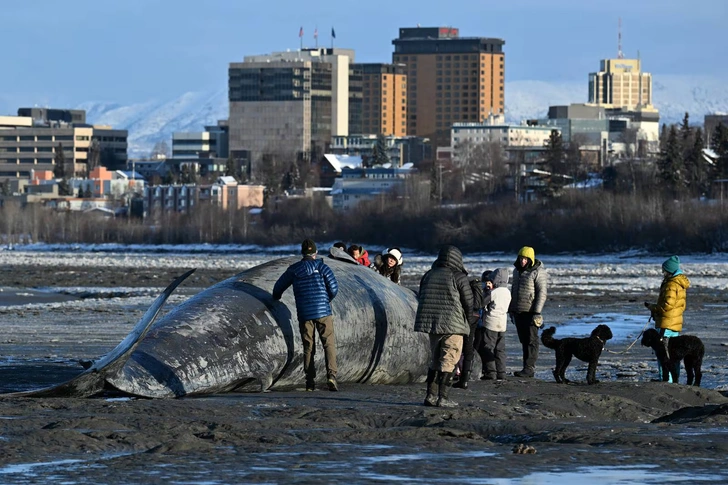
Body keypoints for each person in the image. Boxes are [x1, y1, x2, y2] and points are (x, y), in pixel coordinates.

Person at [273, 239, 340, 392]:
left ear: (302, 253)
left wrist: (276, 297)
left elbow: (278, 287)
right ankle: (332, 376)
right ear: (315, 253)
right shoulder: (323, 267)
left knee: (308, 346)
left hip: (304, 313)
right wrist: (325, 300)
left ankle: (310, 381)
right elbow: (334, 288)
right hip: (323, 312)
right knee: (328, 343)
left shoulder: (294, 270)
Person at [415, 245, 473, 408]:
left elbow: (421, 297)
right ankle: (443, 397)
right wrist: (467, 324)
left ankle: (430, 396)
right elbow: (468, 303)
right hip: (453, 325)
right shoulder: (458, 277)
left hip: (432, 324)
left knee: (434, 359)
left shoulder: (428, 275)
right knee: (449, 359)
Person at [644, 255, 690, 383]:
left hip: (666, 323)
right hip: (674, 322)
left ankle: (666, 380)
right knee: (674, 353)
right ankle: (673, 379)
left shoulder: (671, 284)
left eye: (664, 270)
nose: (662, 272)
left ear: (669, 270)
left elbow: (667, 305)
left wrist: (654, 308)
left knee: (663, 353)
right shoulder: (679, 282)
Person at [508, 246, 547, 378]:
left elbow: (542, 293)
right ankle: (526, 366)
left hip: (530, 311)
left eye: (525, 259)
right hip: (518, 311)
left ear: (530, 259)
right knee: (524, 340)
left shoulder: (538, 272)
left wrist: (537, 312)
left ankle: (529, 368)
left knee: (532, 340)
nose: (522, 261)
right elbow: (513, 290)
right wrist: (511, 309)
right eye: (521, 258)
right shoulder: (516, 271)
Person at [452, 274, 484, 389]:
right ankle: (465, 378)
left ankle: (454, 373)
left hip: (466, 318)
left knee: (457, 346)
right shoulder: (479, 290)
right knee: (469, 347)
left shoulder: (467, 288)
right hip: (475, 318)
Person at [480, 268, 512, 381]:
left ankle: (491, 372)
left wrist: (487, 290)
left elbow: (482, 302)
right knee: (500, 349)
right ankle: (501, 372)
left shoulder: (494, 292)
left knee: (488, 347)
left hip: (491, 322)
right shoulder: (507, 292)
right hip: (502, 322)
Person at [473, 270, 493, 379]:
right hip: (479, 323)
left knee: (485, 345)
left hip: (487, 323)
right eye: (485, 282)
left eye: (489, 282)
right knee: (478, 345)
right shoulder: (481, 292)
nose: (487, 284)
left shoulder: (493, 293)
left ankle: (486, 368)